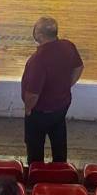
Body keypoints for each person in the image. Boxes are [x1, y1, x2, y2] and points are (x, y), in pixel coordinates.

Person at [21, 17, 84, 164]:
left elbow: (32, 94)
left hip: (39, 111)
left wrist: (28, 109)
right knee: (59, 141)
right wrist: (67, 85)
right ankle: (60, 173)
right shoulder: (68, 46)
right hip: (61, 106)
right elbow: (79, 67)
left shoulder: (38, 60)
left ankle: (36, 176)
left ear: (40, 35)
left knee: (35, 147)